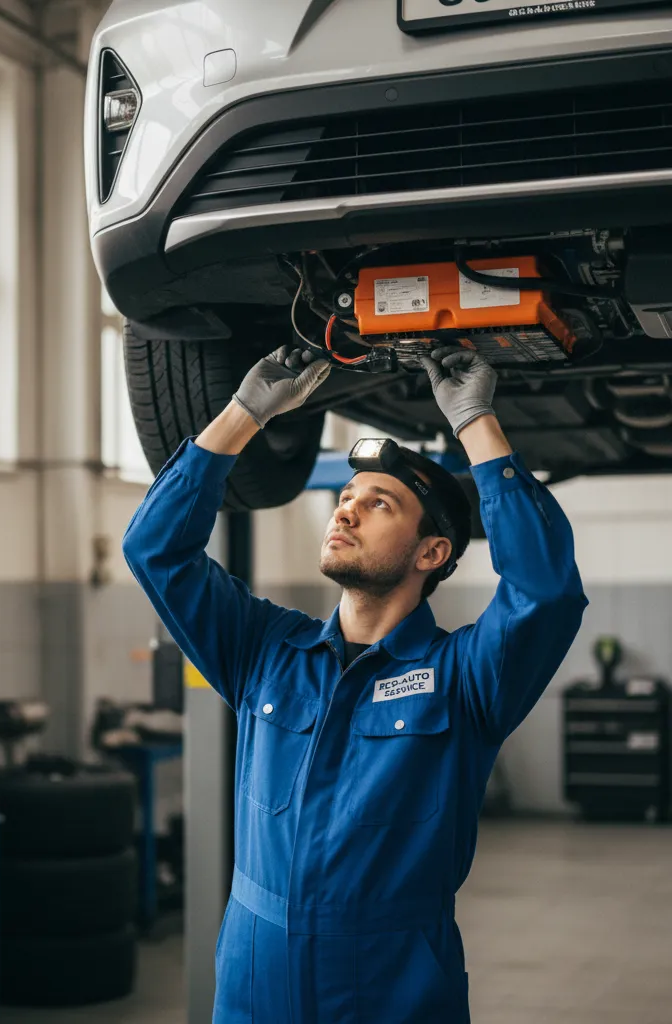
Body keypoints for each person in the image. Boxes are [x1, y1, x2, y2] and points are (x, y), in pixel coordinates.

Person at [123, 343, 587, 1023]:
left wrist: (475, 423)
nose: (345, 512)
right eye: (345, 498)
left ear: (432, 553)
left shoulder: (464, 681)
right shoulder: (264, 650)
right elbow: (153, 550)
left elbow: (545, 593)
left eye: (378, 505)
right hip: (254, 978)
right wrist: (245, 414)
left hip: (388, 986)